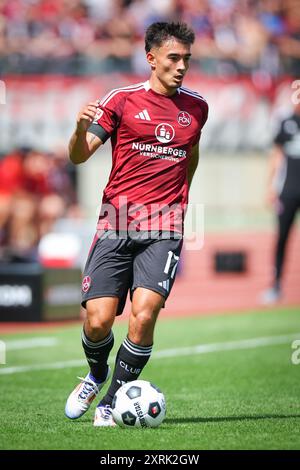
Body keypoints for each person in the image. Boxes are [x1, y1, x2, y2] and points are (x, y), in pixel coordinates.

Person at [65, 21, 208, 427]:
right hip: (116, 221)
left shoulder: (197, 107)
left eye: (186, 60)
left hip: (165, 225)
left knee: (143, 316)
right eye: (173, 59)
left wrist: (183, 196)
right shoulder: (122, 101)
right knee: (97, 321)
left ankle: (111, 402)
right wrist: (78, 127)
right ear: (151, 59)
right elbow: (79, 156)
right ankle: (95, 374)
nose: (181, 67)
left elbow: (190, 153)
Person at [261, 101, 300, 304]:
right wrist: (270, 186)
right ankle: (276, 285)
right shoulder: (286, 123)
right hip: (288, 191)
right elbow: (276, 155)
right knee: (282, 238)